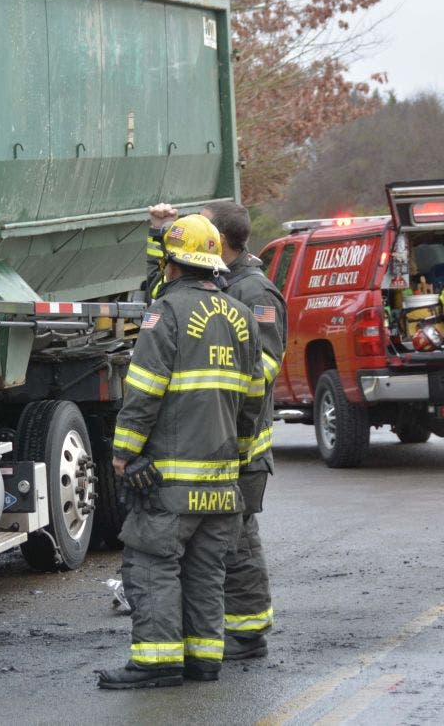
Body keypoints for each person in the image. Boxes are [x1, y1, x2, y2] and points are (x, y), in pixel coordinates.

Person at [97, 214, 264, 690]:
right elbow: (254, 400)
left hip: (171, 480)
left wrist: (124, 454)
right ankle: (204, 660)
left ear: (171, 266)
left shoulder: (166, 314)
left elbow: (145, 389)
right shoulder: (242, 316)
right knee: (206, 570)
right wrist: (240, 457)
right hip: (222, 480)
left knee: (151, 564)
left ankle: (156, 662)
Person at [150, 200, 288, 660]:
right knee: (222, 541)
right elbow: (163, 290)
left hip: (242, 444)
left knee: (237, 541)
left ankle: (247, 632)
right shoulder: (224, 285)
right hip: (216, 439)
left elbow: (263, 369)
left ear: (220, 240)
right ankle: (226, 630)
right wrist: (159, 234)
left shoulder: (255, 293)